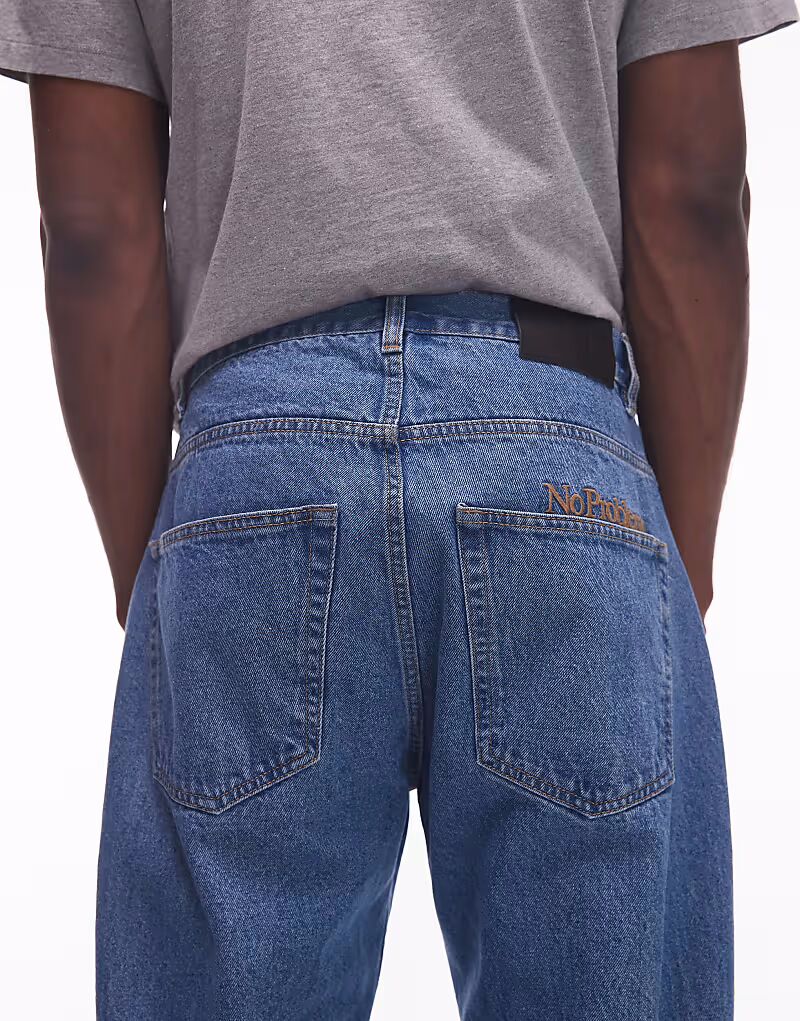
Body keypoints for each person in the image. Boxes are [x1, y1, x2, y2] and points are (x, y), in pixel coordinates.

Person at [1, 2, 796, 1018]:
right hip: (557, 440)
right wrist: (661, 564)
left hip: (256, 451)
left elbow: (93, 229)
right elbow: (691, 192)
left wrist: (160, 564)